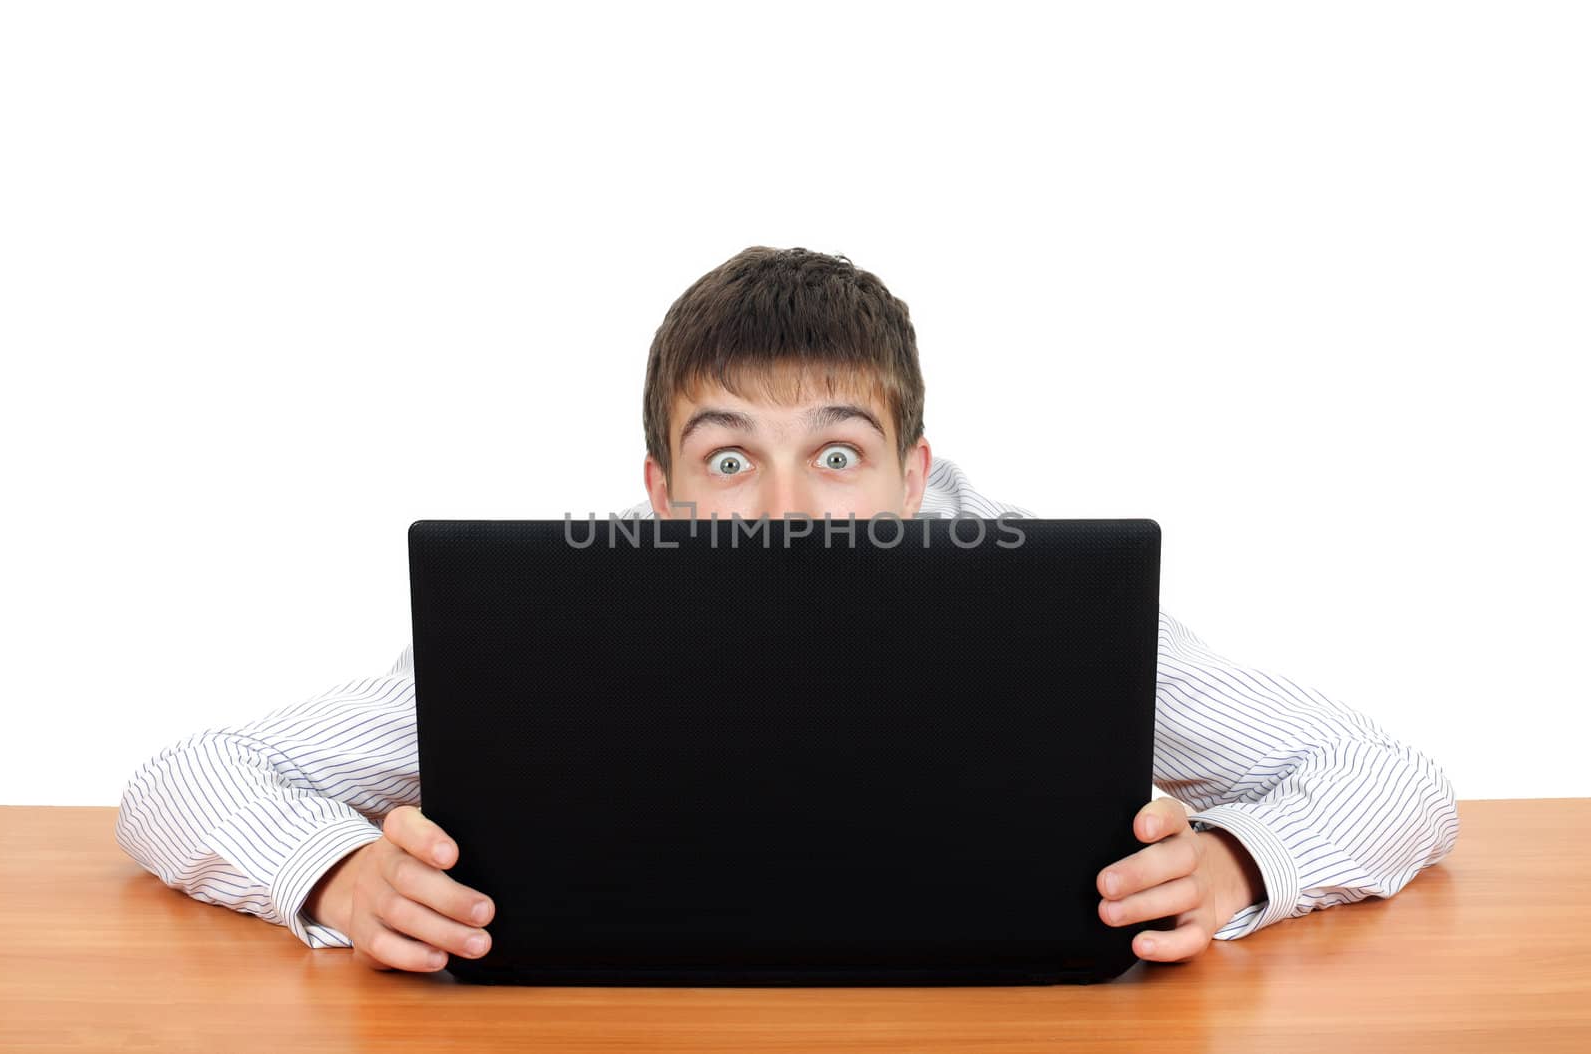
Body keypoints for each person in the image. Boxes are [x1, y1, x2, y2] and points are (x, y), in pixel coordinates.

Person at [115, 246, 1460, 974]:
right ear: (661, 489)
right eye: (726, 457)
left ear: (910, 472)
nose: (779, 504)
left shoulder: (1043, 613)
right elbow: (187, 776)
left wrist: (1236, 865)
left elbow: (1391, 778)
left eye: (833, 452)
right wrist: (338, 877)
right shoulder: (564, 625)